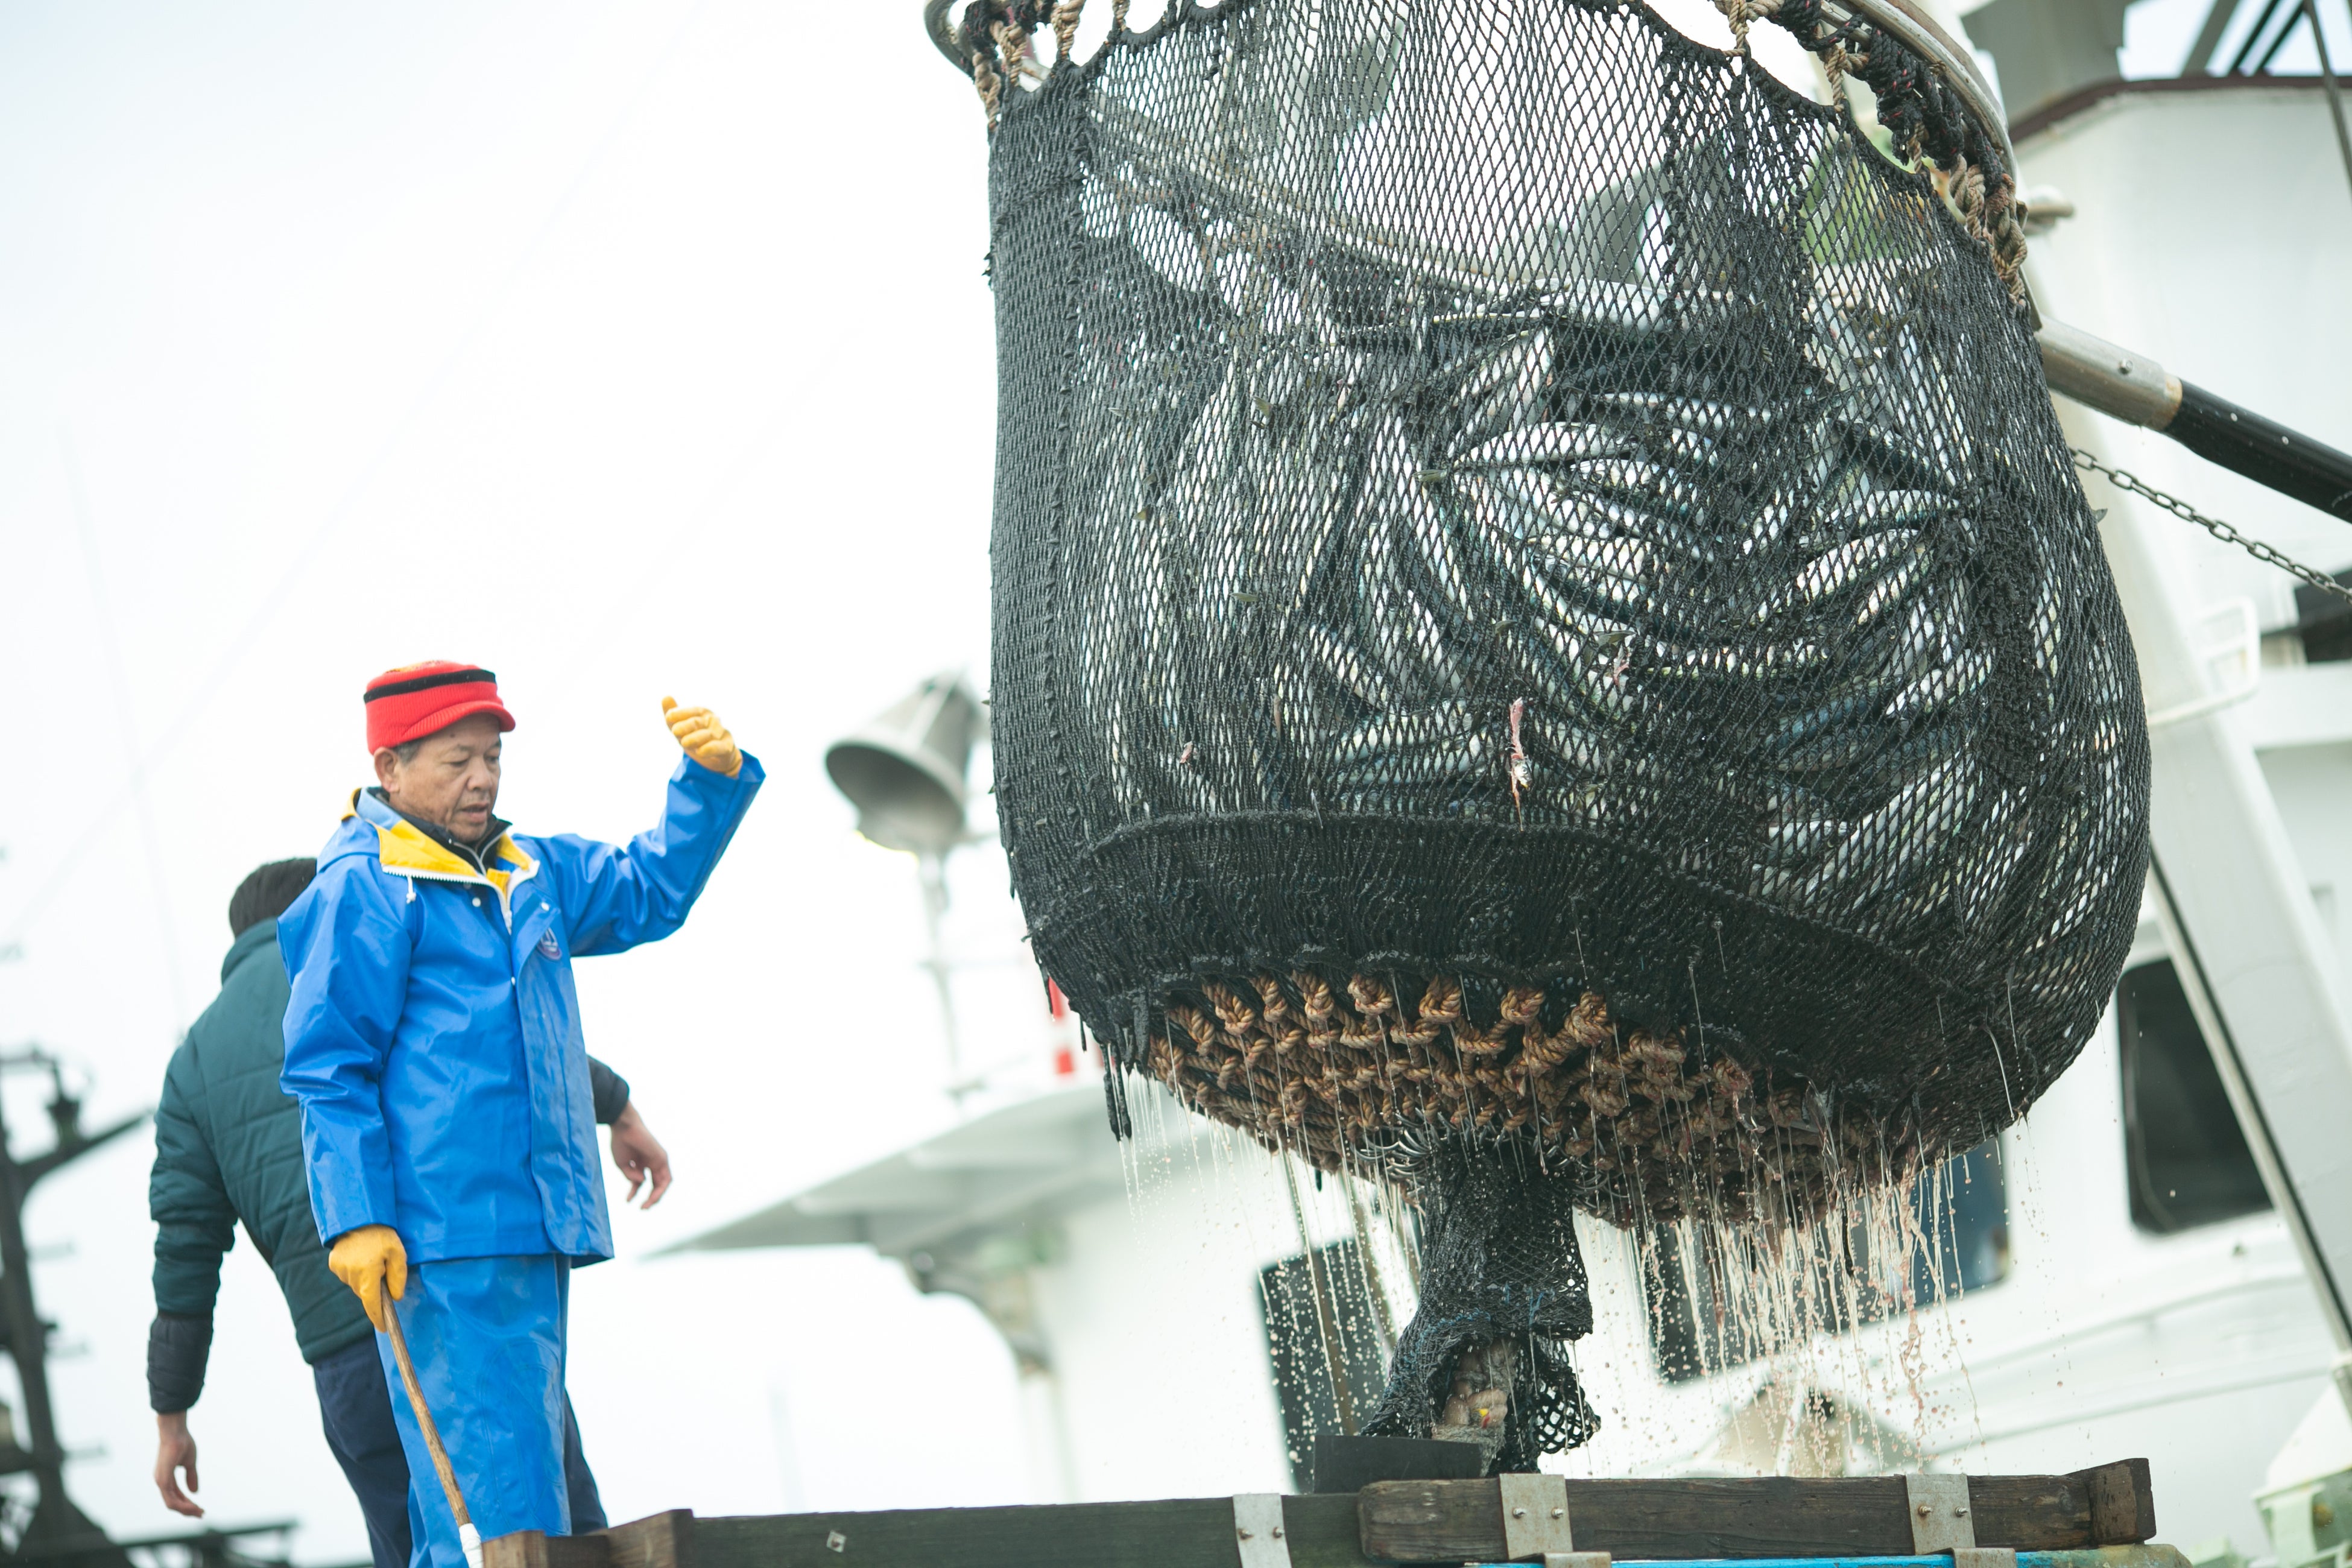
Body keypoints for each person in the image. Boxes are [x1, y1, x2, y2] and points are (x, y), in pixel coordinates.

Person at [280, 663, 759, 1566]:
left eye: (493, 757)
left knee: (505, 1497)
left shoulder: (529, 868)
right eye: (458, 759)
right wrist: (357, 1218)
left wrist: (710, 783)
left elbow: (649, 891)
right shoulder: (365, 886)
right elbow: (328, 1068)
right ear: (390, 767)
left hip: (535, 1226)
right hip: (441, 1238)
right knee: (493, 1506)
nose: (485, 779)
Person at [149, 858, 676, 1568]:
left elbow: (185, 1252)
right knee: (562, 1539)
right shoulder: (365, 950)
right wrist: (618, 1105)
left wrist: (171, 1415)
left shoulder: (192, 1068)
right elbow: (495, 1043)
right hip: (452, 1313)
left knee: (421, 1554)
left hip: (346, 1361)